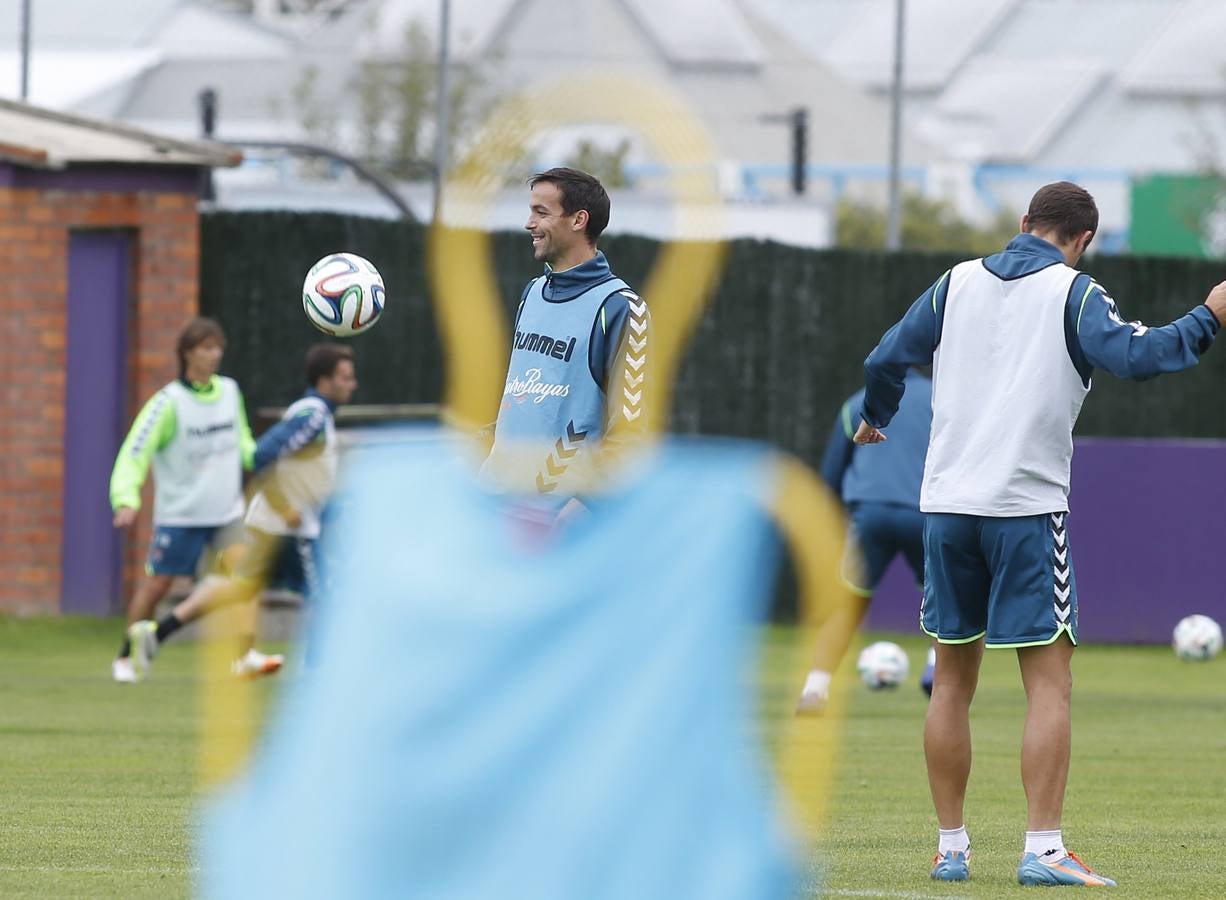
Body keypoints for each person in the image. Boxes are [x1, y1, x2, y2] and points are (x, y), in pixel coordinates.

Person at [855, 181, 1226, 887]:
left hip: (947, 508)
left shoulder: (954, 282)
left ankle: (951, 848)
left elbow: (884, 358)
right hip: (1024, 510)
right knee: (1049, 686)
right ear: (1084, 240)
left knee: (952, 684)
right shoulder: (1074, 292)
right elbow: (1140, 358)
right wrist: (1208, 315)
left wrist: (878, 413)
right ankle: (1044, 850)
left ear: (1024, 223)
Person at [127, 343, 358, 680]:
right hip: (287, 528)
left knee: (238, 588)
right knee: (325, 595)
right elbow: (263, 455)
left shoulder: (316, 416)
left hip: (276, 525)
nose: (353, 384)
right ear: (324, 381)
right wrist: (285, 505)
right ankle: (319, 676)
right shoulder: (313, 417)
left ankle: (157, 633)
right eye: (346, 377)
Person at [481, 167, 647, 498]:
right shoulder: (532, 292)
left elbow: (630, 434)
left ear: (578, 220)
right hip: (495, 509)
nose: (529, 223)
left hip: (557, 527)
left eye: (541, 213)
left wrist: (581, 511)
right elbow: (519, 405)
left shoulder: (620, 308)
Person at [109, 318, 255, 683]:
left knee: (245, 578)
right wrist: (126, 497)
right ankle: (127, 655)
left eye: (217, 347)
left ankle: (244, 655)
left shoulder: (230, 391)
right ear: (187, 353)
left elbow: (245, 444)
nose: (214, 355)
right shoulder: (167, 403)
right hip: (182, 513)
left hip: (226, 511)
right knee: (157, 587)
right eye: (206, 348)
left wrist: (268, 455)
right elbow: (134, 452)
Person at [796, 368, 931, 713]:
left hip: (868, 516)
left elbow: (830, 477)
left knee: (847, 604)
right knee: (944, 602)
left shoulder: (857, 403)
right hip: (925, 515)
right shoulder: (941, 400)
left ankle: (815, 688)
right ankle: (934, 670)